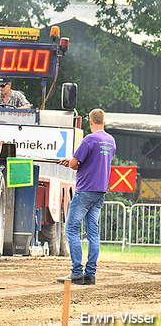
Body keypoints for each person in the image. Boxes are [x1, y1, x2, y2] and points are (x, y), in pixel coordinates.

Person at [57, 109, 116, 285]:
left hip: (85, 190)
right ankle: (90, 274)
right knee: (93, 232)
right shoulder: (110, 140)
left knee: (71, 228)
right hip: (100, 192)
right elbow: (97, 162)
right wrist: (76, 162)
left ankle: (76, 272)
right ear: (103, 122)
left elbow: (75, 164)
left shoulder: (89, 139)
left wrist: (70, 162)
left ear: (90, 122)